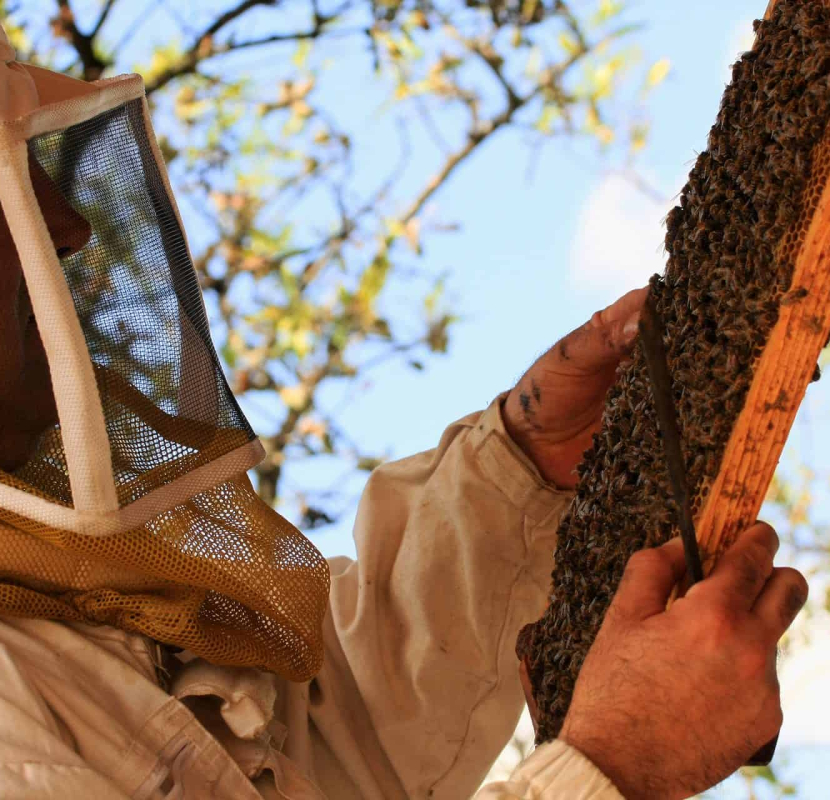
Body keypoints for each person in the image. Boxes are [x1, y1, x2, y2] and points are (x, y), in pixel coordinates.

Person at [0, 25, 808, 800]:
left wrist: (516, 472)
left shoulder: (68, 618)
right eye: (13, 192)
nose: (70, 229)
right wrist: (616, 764)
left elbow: (334, 755)